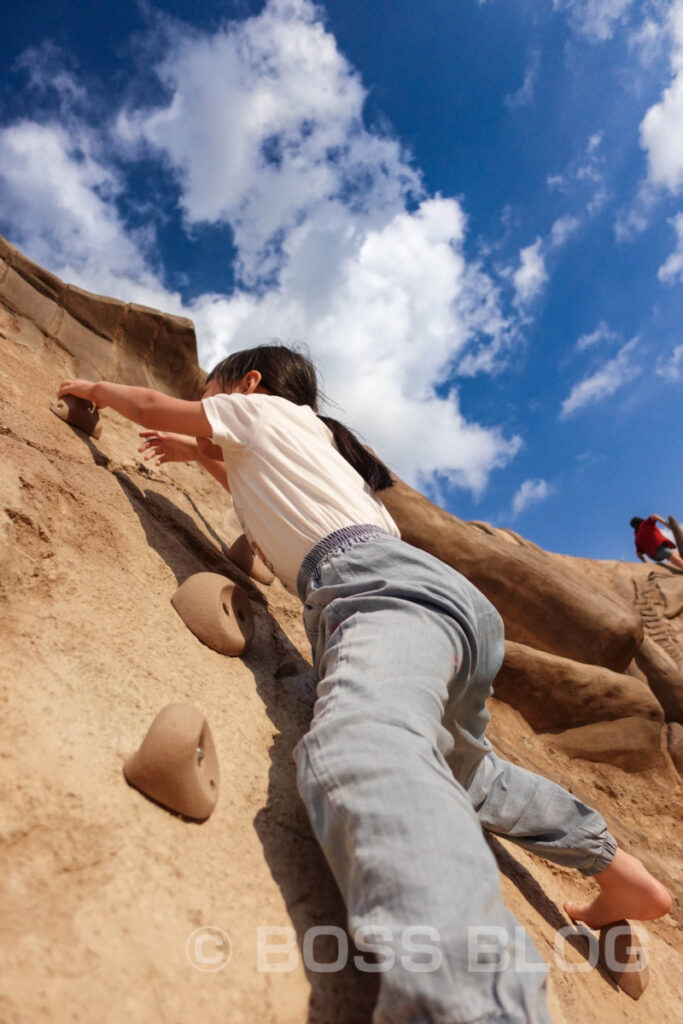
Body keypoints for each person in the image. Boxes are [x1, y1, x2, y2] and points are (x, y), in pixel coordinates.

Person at [58, 345, 671, 1024]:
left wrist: (92, 384)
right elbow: (261, 485)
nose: (208, 405)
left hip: (374, 591)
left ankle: (472, 1008)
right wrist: (196, 457)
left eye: (212, 391)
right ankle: (615, 870)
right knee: (462, 769)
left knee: (365, 745)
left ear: (249, 383)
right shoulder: (313, 442)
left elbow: (148, 405)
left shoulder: (252, 409)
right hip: (443, 604)